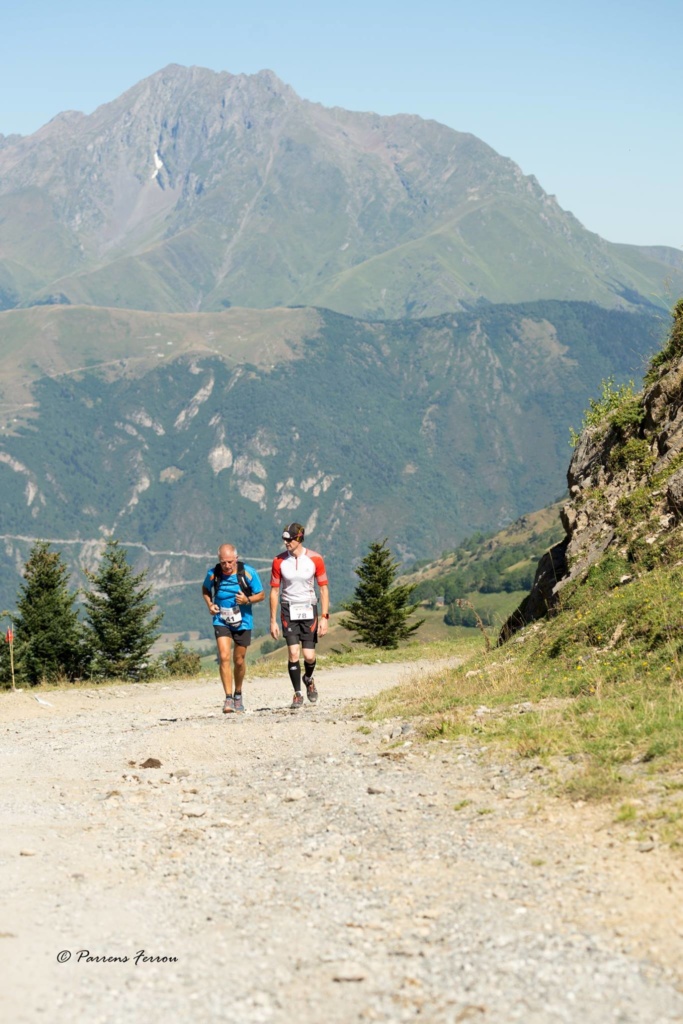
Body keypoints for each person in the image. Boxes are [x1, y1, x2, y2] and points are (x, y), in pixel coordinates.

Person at [269, 522, 330, 709]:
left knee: (309, 656)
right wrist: (272, 621)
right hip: (288, 609)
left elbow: (323, 589)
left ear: (299, 538)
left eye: (289, 539)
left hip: (308, 608)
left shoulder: (316, 559)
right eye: (284, 539)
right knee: (294, 653)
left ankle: (308, 678)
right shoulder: (278, 561)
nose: (286, 542)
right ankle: (297, 693)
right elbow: (274, 592)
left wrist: (325, 617)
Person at [202, 543, 264, 713]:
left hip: (243, 621)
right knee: (224, 657)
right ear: (219, 560)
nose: (227, 566)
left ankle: (238, 693)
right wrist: (210, 604)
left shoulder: (248, 573)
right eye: (223, 562)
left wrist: (247, 600)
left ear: (236, 558)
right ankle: (228, 698)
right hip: (221, 619)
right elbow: (205, 589)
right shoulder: (213, 574)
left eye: (230, 562)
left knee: (239, 660)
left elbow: (261, 595)